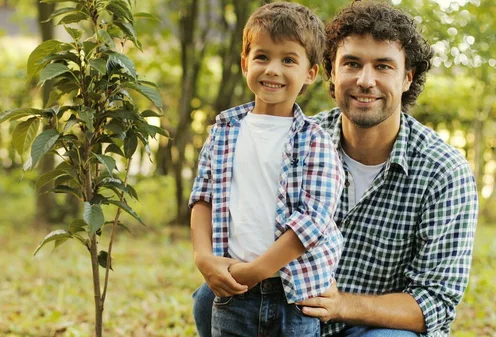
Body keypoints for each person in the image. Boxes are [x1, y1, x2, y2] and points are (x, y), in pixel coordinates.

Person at [191, 1, 479, 337]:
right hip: (285, 307)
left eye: (384, 66)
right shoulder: (298, 140)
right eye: (352, 64)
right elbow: (222, 200)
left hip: (370, 326)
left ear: (406, 78)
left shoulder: (444, 171)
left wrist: (342, 305)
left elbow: (436, 303)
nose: (365, 80)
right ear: (330, 73)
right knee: (206, 297)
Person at [189, 2, 345, 337]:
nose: (273, 69)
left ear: (311, 73)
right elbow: (203, 197)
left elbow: (313, 219)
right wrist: (204, 258)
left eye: (288, 60)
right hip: (233, 292)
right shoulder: (224, 130)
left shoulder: (315, 141)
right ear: (245, 62)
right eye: (262, 57)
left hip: (296, 296)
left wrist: (257, 270)